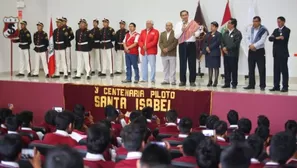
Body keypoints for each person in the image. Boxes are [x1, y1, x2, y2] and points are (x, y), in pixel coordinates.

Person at [174, 10, 201, 86]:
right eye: (183, 15)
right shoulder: (178, 24)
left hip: (191, 44)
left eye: (186, 15)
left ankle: (192, 81)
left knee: (192, 63)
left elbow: (198, 33)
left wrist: (194, 33)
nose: (184, 16)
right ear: (181, 16)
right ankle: (182, 81)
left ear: (188, 15)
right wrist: (182, 31)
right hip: (182, 44)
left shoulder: (193, 23)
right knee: (182, 63)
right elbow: (176, 36)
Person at [244, 16, 269, 91]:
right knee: (251, 69)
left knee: (261, 69)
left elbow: (262, 40)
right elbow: (246, 38)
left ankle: (262, 85)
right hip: (251, 51)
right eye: (253, 21)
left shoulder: (263, 30)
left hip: (260, 51)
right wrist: (250, 45)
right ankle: (251, 84)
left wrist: (254, 45)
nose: (254, 23)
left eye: (255, 21)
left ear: (259, 22)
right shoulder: (250, 29)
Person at [269, 16, 291, 92]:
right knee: (276, 70)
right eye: (277, 22)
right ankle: (276, 86)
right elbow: (270, 38)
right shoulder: (275, 30)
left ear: (283, 22)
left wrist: (275, 37)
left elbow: (283, 38)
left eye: (279, 21)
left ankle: (285, 86)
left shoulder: (287, 30)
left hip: (283, 54)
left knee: (284, 70)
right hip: (276, 53)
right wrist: (277, 38)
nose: (278, 23)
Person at [221, 18, 243, 89]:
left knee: (234, 69)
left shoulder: (237, 33)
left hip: (233, 54)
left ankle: (234, 83)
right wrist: (223, 48)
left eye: (229, 23)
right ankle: (227, 83)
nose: (228, 24)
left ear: (233, 24)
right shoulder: (225, 32)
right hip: (226, 54)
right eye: (228, 23)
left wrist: (226, 48)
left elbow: (235, 44)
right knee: (226, 69)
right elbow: (222, 42)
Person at [203, 21, 222, 87]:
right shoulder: (208, 34)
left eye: (213, 26)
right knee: (209, 67)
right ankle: (210, 80)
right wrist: (206, 47)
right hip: (208, 53)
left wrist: (209, 47)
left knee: (216, 67)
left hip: (215, 53)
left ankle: (215, 81)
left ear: (216, 27)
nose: (211, 27)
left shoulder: (219, 34)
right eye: (211, 26)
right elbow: (205, 41)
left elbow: (217, 42)